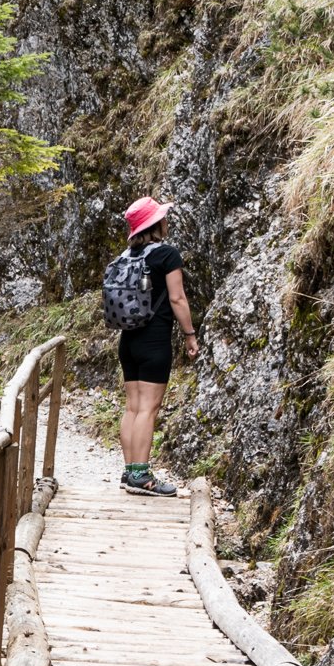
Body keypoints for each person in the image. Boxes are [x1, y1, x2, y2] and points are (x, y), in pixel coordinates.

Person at [115, 196, 198, 496]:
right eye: (163, 217)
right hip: (154, 342)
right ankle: (141, 476)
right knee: (149, 409)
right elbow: (177, 298)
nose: (166, 221)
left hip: (128, 341)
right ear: (155, 223)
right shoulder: (167, 255)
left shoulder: (127, 256)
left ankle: (129, 472)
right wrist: (190, 334)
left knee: (133, 407)